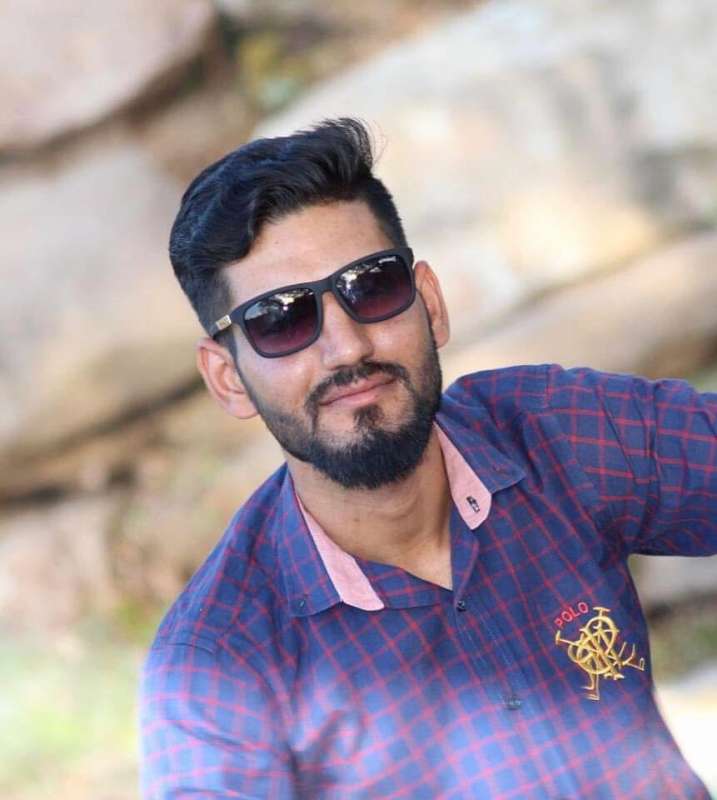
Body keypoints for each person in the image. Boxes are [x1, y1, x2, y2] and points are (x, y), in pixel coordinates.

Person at [140, 118, 716, 799]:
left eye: (371, 286)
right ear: (228, 378)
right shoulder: (220, 666)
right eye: (281, 319)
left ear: (430, 304)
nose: (348, 347)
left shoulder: (552, 431)